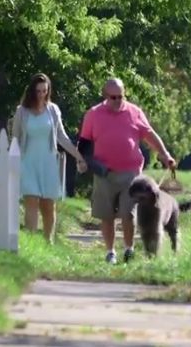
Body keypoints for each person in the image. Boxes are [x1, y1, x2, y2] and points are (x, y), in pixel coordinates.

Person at [77, 78, 175, 264]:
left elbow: (149, 135)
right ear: (105, 96)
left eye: (120, 97)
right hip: (104, 172)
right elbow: (84, 142)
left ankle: (129, 249)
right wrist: (82, 161)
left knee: (127, 213)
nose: (117, 101)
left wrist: (165, 154)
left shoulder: (134, 112)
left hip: (130, 173)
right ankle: (110, 252)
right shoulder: (94, 114)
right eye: (113, 97)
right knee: (106, 215)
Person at [11, 73, 87, 243]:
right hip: (28, 162)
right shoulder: (22, 112)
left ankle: (48, 242)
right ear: (32, 91)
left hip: (48, 162)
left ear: (48, 91)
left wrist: (78, 156)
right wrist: (13, 163)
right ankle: (31, 242)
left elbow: (62, 137)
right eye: (38, 91)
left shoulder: (52, 110)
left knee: (48, 204)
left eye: (44, 91)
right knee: (31, 200)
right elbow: (15, 139)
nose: (41, 94)